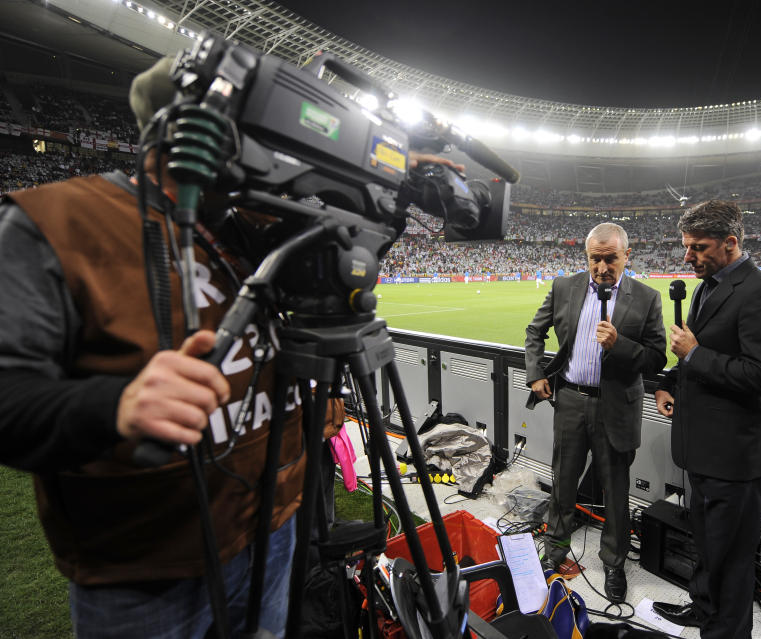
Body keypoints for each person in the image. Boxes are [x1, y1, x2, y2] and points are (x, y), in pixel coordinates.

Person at [0, 57, 457, 638]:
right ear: (191, 128)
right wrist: (115, 406)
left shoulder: (250, 226)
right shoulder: (56, 223)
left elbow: (348, 262)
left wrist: (385, 178)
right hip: (147, 572)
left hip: (275, 530)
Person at [651, 200, 761, 639]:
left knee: (732, 562)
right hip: (703, 451)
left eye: (698, 247)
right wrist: (668, 384)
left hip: (736, 460)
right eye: (686, 246)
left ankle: (726, 631)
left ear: (731, 243)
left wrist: (694, 353)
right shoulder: (707, 286)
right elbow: (694, 360)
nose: (688, 256)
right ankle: (702, 609)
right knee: (709, 546)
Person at [525, 222, 666, 604]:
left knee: (615, 490)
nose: (602, 267)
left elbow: (656, 359)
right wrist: (536, 373)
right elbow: (534, 332)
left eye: (611, 258)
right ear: (587, 257)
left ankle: (614, 563)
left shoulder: (647, 298)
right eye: (595, 258)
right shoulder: (563, 287)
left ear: (626, 256)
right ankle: (554, 552)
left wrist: (620, 344)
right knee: (563, 483)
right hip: (570, 400)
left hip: (616, 406)